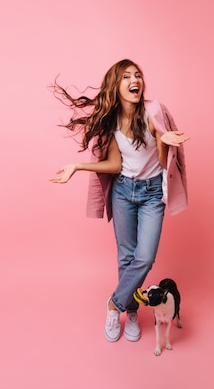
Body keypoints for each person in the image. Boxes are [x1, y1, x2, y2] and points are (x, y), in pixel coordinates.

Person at [49, 59, 189, 342]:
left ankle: (115, 304)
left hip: (151, 194)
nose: (134, 80)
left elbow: (163, 161)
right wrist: (77, 167)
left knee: (145, 257)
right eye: (127, 76)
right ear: (116, 85)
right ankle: (132, 310)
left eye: (137, 75)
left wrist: (165, 140)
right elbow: (114, 165)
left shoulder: (154, 110)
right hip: (124, 191)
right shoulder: (111, 122)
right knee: (126, 257)